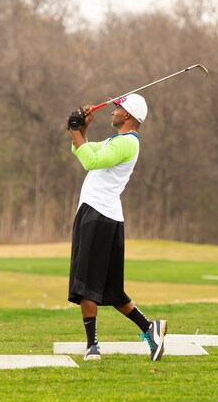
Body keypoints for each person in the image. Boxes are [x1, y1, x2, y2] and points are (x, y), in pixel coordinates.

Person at [66, 93, 166, 361]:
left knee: (86, 282)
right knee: (110, 289)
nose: (112, 112)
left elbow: (91, 161)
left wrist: (75, 130)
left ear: (129, 116)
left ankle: (92, 347)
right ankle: (150, 328)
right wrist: (82, 129)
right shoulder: (117, 142)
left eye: (117, 108)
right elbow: (84, 150)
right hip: (103, 215)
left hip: (98, 215)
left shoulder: (127, 143)